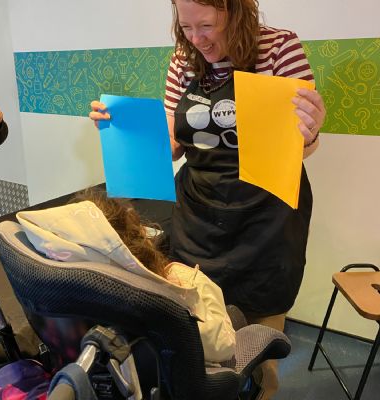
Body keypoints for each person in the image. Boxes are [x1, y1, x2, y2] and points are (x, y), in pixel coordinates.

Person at [89, 1, 326, 398]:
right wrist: (123, 131)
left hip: (266, 219)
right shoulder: (183, 59)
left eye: (207, 25)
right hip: (199, 213)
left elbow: (301, 145)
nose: (197, 39)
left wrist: (310, 131)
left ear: (236, 13)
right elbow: (173, 144)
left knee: (259, 347)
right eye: (186, 27)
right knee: (199, 330)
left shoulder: (278, 49)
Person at [16, 190, 236, 365]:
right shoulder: (158, 298)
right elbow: (222, 346)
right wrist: (198, 284)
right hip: (176, 374)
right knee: (237, 315)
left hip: (99, 369)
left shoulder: (62, 284)